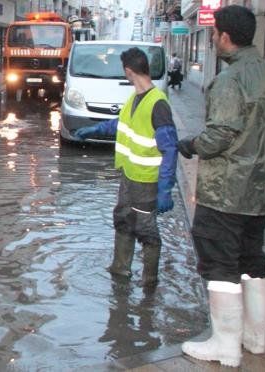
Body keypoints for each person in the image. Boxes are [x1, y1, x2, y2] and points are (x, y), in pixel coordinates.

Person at [176, 5, 265, 368]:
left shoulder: (230, 79)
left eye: (214, 33)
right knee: (253, 259)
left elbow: (221, 133)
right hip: (264, 188)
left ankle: (224, 346)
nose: (212, 38)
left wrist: (192, 145)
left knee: (219, 263)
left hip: (227, 190)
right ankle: (254, 338)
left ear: (224, 36)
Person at [74, 47, 179, 286]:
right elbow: (122, 124)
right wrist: (96, 129)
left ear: (128, 71)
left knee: (146, 231)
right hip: (129, 176)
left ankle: (149, 282)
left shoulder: (157, 103)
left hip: (146, 180)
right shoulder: (134, 98)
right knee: (122, 219)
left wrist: (165, 189)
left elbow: (170, 148)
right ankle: (120, 270)